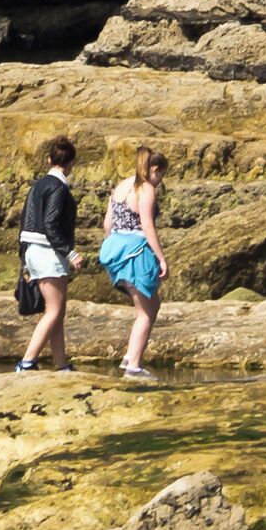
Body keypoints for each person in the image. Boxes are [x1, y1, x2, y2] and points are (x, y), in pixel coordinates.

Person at [98, 152, 167, 379]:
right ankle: (133, 367)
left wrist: (115, 248)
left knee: (152, 304)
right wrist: (161, 258)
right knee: (146, 313)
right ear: (155, 169)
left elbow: (107, 224)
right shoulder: (145, 188)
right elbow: (147, 226)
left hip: (115, 248)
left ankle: (130, 355)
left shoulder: (121, 186)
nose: (160, 181)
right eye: (161, 175)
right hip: (136, 252)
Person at [15, 135, 78, 372]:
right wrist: (70, 253)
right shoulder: (59, 188)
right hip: (48, 252)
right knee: (54, 311)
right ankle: (27, 361)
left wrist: (25, 262)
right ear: (71, 163)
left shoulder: (38, 185)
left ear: (49, 159)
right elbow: (51, 224)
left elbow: (25, 222)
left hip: (32, 250)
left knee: (56, 311)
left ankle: (61, 363)